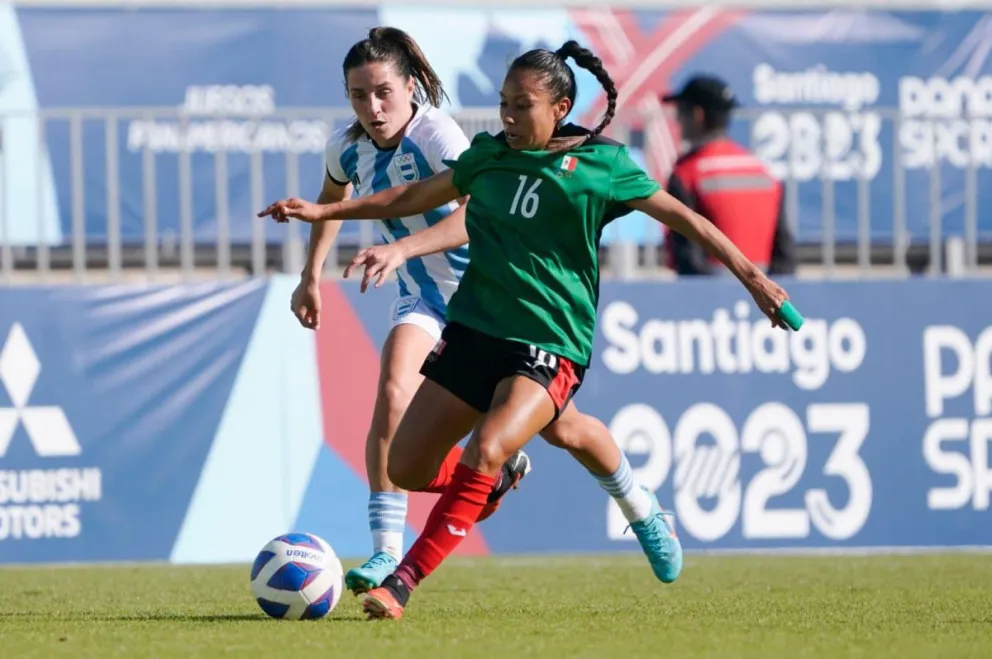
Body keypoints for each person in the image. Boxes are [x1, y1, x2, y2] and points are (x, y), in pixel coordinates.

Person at [261, 40, 789, 620]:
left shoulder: (602, 167)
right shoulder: (488, 155)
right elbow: (412, 195)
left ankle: (403, 578)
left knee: (486, 446)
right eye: (504, 103)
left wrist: (755, 280)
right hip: (478, 330)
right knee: (420, 465)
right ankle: (636, 503)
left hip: (549, 341)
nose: (508, 117)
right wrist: (323, 212)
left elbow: (686, 219)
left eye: (523, 106)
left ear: (560, 107)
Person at [291, 27, 679, 599]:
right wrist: (309, 278)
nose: (371, 108)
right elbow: (332, 204)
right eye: (357, 95)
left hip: (490, 293)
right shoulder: (343, 148)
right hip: (425, 297)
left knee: (565, 431)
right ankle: (385, 552)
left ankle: (639, 504)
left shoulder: (439, 137)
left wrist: (401, 247)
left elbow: (471, 214)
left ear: (411, 87)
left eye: (382, 93)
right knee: (393, 394)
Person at [661, 74, 797, 276]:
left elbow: (687, 258)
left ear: (697, 115)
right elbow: (785, 256)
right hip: (764, 296)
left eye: (680, 112)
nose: (678, 120)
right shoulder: (764, 172)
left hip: (711, 299)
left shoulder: (686, 174)